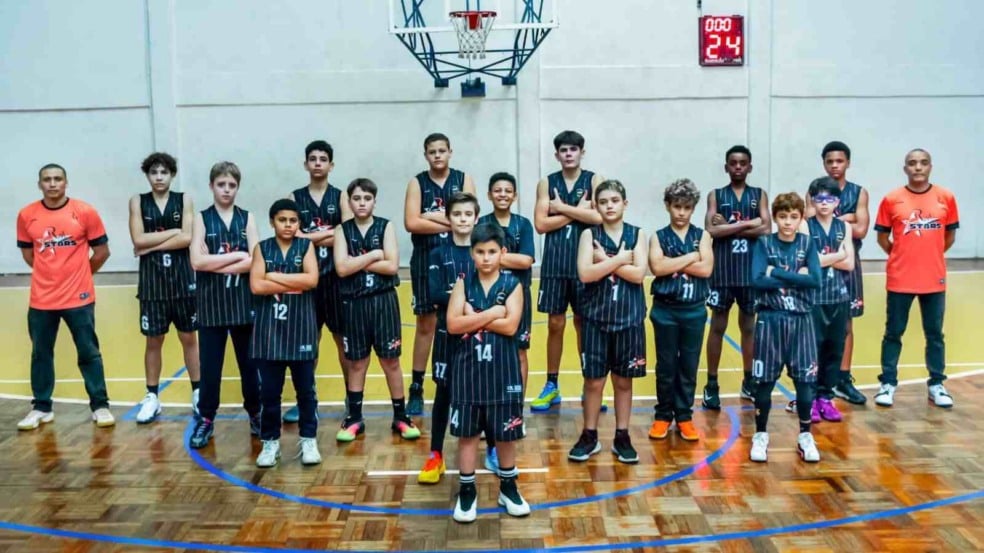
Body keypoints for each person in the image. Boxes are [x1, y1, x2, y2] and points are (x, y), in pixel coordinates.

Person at [16, 164, 114, 430]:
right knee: (41, 353)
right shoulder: (27, 215)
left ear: (66, 182)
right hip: (42, 300)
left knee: (88, 351)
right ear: (40, 184)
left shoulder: (84, 212)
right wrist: (51, 275)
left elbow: (102, 252)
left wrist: (82, 274)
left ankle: (100, 405)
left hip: (79, 298)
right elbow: (29, 256)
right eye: (47, 180)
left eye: (57, 179)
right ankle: (41, 408)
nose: (52, 184)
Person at [447, 223, 529, 523]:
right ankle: (467, 491)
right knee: (467, 436)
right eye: (480, 252)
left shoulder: (513, 284)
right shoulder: (463, 283)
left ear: (502, 253)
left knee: (506, 435)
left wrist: (476, 316)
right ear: (472, 253)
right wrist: (494, 313)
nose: (486, 258)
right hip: (467, 372)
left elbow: (511, 326)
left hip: (503, 372)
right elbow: (454, 324)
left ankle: (508, 487)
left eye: (492, 252)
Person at [418, 192, 497, 483]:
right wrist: (466, 302)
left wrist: (464, 303)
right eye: (457, 215)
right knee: (444, 393)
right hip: (447, 334)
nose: (463, 220)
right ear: (448, 218)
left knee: (484, 392)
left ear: (476, 218)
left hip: (481, 335)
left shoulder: (483, 251)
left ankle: (491, 449)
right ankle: (435, 455)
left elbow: (493, 289)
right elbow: (435, 293)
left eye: (468, 215)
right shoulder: (438, 254)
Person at [334, 178, 420, 442]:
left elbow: (392, 266)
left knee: (390, 361)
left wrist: (356, 261)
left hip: (383, 302)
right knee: (357, 362)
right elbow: (341, 268)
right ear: (349, 201)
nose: (362, 203)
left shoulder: (386, 226)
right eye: (357, 198)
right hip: (354, 303)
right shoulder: (342, 230)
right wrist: (373, 255)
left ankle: (401, 416)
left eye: (367, 198)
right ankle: (354, 417)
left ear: (374, 200)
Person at [569, 180, 648, 464]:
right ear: (596, 206)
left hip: (629, 320)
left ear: (624, 204)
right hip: (596, 319)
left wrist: (604, 261)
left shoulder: (638, 235)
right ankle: (589, 435)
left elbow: (639, 275)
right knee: (593, 381)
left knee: (624, 382)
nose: (609, 206)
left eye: (615, 200)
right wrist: (617, 260)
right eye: (603, 202)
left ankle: (622, 434)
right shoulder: (588, 235)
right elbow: (586, 274)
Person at [873, 149, 959, 408]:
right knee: (893, 332)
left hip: (933, 278)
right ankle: (887, 383)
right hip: (900, 278)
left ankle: (937, 384)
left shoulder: (946, 197)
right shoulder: (891, 199)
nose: (918, 167)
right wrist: (901, 255)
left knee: (934, 333)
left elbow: (949, 236)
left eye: (923, 163)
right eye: (912, 163)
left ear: (930, 166)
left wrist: (929, 255)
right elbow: (882, 238)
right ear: (905, 169)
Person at [187, 161, 261, 449]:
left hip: (244, 305)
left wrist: (215, 262)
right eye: (221, 184)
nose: (226, 190)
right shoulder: (202, 219)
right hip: (212, 306)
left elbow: (255, 260)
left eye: (231, 185)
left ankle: (255, 414)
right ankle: (206, 420)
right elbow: (197, 261)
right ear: (212, 186)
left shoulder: (247, 218)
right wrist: (237, 258)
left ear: (237, 187)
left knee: (249, 366)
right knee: (211, 369)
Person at [532, 130, 605, 412]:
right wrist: (577, 210)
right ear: (557, 154)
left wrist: (560, 208)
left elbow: (599, 216)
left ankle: (590, 386)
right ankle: (552, 384)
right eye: (564, 150)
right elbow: (540, 224)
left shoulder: (594, 180)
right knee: (555, 324)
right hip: (555, 262)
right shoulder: (546, 183)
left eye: (574, 149)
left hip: (585, 262)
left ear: (581, 152)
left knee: (584, 324)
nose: (569, 154)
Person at [404, 133, 476, 416]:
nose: (437, 155)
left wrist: (430, 216)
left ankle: (463, 383)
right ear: (426, 155)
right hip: (426, 258)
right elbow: (411, 222)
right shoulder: (417, 182)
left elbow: (470, 218)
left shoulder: (463, 178)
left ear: (450, 152)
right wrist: (449, 222)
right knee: (426, 325)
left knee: (464, 320)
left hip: (459, 257)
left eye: (441, 151)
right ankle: (417, 387)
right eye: (432, 151)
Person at [128, 152, 201, 423]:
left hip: (183, 282)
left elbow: (187, 238)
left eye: (164, 172)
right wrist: (173, 232)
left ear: (172, 175)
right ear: (148, 175)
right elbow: (137, 237)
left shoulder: (185, 200)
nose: (159, 177)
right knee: (153, 341)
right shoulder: (138, 201)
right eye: (154, 172)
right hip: (152, 285)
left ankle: (197, 391)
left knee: (189, 338)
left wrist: (151, 245)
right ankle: (152, 396)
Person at [748, 192, 822, 463]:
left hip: (801, 320)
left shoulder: (808, 243)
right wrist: (797, 277)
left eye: (793, 217)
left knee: (804, 381)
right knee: (764, 382)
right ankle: (761, 434)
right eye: (782, 217)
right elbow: (757, 281)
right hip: (771, 320)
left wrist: (777, 273)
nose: (788, 222)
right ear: (775, 218)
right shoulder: (764, 244)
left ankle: (805, 434)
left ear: (801, 218)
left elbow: (816, 280)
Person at [284, 140, 352, 423]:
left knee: (343, 343)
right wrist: (327, 233)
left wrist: (309, 237)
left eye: (323, 159)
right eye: (312, 158)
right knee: (307, 345)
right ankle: (306, 400)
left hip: (336, 280)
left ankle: (353, 398)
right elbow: (290, 235)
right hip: (307, 282)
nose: (318, 163)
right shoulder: (294, 197)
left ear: (331, 165)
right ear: (305, 164)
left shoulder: (341, 196)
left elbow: (347, 232)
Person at [249, 199, 321, 467]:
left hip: (300, 328)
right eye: (282, 220)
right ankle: (270, 443)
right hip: (269, 331)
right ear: (272, 222)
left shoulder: (306, 246)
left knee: (306, 391)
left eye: (293, 220)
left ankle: (309, 439)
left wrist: (273, 276)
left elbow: (311, 280)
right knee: (269, 393)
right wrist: (291, 280)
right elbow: (256, 285)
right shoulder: (262, 248)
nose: (288, 225)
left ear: (299, 223)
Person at [703, 145, 771, 409]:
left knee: (749, 328)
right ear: (726, 167)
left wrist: (729, 226)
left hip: (750, 271)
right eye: (733, 163)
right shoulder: (715, 195)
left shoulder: (759, 195)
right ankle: (711, 384)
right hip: (722, 271)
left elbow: (766, 228)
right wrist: (748, 223)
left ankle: (748, 381)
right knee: (717, 327)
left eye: (743, 163)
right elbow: (711, 229)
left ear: (750, 167)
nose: (738, 167)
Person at [647, 179, 713, 442]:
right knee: (666, 365)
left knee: (688, 365)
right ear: (668, 206)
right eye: (677, 206)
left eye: (687, 207)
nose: (682, 212)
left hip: (694, 310)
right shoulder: (658, 236)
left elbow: (706, 269)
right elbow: (657, 268)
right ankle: (663, 415)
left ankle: (684, 416)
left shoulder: (703, 236)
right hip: (665, 310)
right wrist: (691, 257)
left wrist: (672, 262)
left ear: (693, 208)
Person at [804, 141, 869, 405]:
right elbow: (808, 217)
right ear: (824, 164)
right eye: (830, 161)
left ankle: (842, 378)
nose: (834, 166)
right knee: (815, 327)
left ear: (848, 163)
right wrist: (849, 216)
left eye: (839, 161)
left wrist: (846, 220)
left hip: (848, 262)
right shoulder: (816, 190)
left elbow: (862, 230)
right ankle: (813, 383)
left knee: (846, 325)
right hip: (822, 264)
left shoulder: (859, 192)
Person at [795, 177, 854, 422]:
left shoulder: (844, 227)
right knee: (812, 350)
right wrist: (836, 255)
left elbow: (849, 264)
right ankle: (806, 399)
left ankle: (825, 398)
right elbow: (808, 262)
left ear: (837, 201)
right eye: (819, 199)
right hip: (813, 298)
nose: (824, 204)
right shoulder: (805, 225)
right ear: (812, 200)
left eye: (829, 199)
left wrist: (824, 258)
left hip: (837, 297)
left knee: (834, 349)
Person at [478, 172, 535, 391]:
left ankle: (516, 407)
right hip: (485, 294)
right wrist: (507, 259)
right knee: (485, 349)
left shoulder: (523, 225)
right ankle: (488, 401)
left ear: (515, 196)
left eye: (508, 191)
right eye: (498, 190)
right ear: (489, 195)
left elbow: (526, 261)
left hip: (519, 295)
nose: (503, 195)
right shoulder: (481, 224)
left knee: (519, 351)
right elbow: (476, 260)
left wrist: (492, 258)